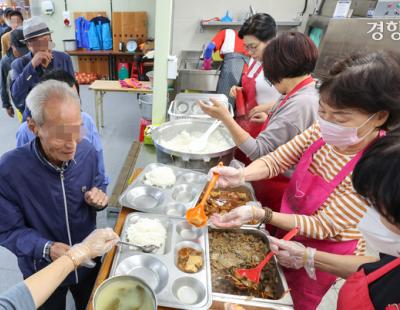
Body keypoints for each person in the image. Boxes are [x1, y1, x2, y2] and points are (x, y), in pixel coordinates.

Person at [209, 51, 400, 309]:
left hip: (327, 252)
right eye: (323, 111)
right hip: (288, 232)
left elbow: (325, 225)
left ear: (378, 117)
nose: (328, 121)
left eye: (340, 116)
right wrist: (242, 174)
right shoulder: (322, 130)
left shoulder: (377, 165)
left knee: (300, 300)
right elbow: (277, 159)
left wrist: (262, 215)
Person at [0, 80, 109, 310]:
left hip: (88, 263)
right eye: (61, 134)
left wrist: (98, 199)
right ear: (33, 127)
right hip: (43, 273)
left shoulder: (87, 151)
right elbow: (8, 230)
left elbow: (98, 184)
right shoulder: (10, 170)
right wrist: (47, 248)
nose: (72, 145)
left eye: (76, 129)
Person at [268, 133, 400, 309]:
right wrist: (308, 256)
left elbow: (324, 225)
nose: (366, 216)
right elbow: (375, 268)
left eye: (379, 210)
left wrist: (264, 215)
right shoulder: (393, 252)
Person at [200, 32, 319, 212]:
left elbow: (259, 152)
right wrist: (270, 118)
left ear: (280, 67)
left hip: (280, 188)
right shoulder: (302, 91)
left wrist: (225, 118)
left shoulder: (300, 104)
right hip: (274, 180)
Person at [16, 69, 109, 188]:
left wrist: (100, 188)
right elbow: (23, 170)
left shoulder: (86, 121)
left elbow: (97, 158)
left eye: (74, 99)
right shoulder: (26, 131)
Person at [0, 228, 119, 310]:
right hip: (41, 269)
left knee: (88, 301)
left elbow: (10, 303)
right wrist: (45, 248)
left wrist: (98, 192)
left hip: (86, 267)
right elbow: (14, 304)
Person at [10, 16, 74, 119]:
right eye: (36, 42)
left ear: (50, 39)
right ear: (28, 44)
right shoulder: (19, 64)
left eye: (45, 40)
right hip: (35, 119)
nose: (42, 46)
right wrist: (31, 66)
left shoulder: (64, 58)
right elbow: (16, 95)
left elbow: (73, 89)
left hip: (63, 115)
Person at [229, 13, 280, 138]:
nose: (250, 52)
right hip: (245, 125)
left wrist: (270, 109)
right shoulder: (254, 60)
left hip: (266, 128)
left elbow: (296, 100)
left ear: (271, 41)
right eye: (247, 47)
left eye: (253, 47)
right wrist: (239, 90)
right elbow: (255, 88)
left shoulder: (282, 65)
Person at [202, 28, 248, 106]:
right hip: (247, 66)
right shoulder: (240, 35)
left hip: (233, 65)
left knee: (224, 100)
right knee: (240, 102)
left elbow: (209, 48)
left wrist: (206, 65)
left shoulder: (223, 32)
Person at [1, 28, 28, 118]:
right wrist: (7, 104)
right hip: (20, 103)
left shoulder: (30, 53)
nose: (22, 53)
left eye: (25, 49)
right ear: (11, 45)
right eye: (19, 50)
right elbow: (3, 84)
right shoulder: (5, 62)